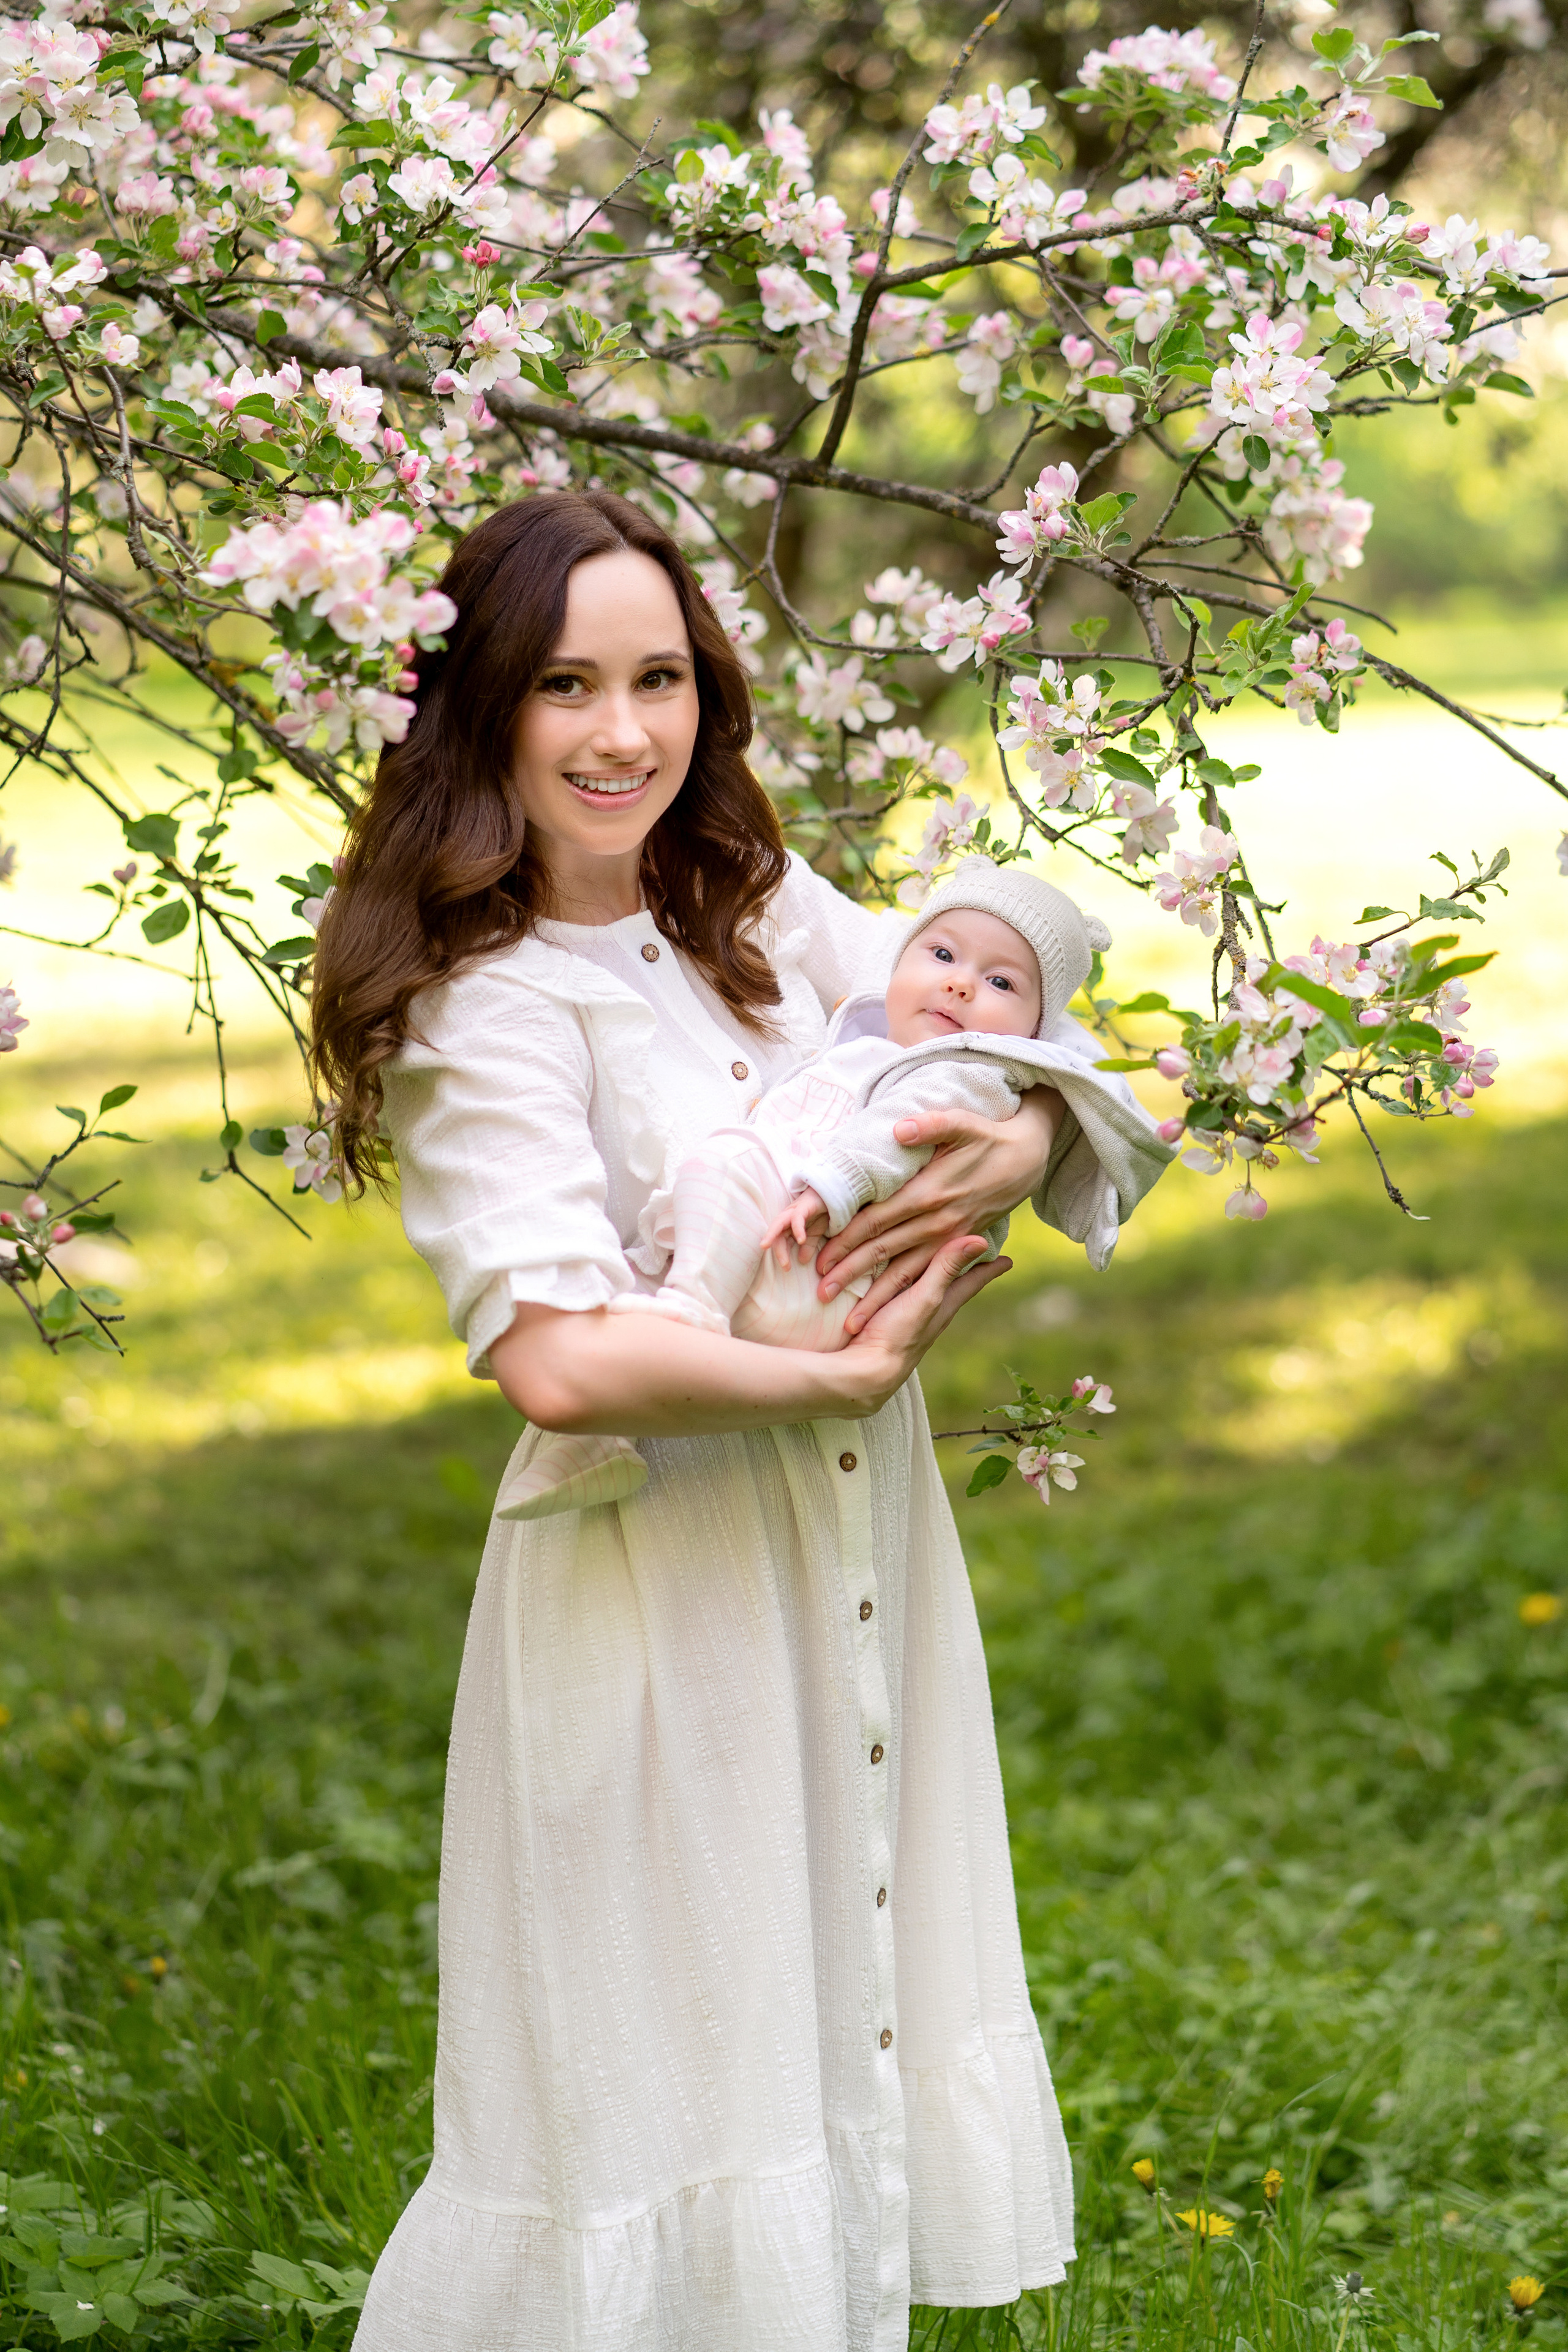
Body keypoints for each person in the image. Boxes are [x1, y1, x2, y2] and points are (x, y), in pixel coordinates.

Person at [313, 487, 1168, 2352]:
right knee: (662, 2082)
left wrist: (1019, 1126)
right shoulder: (487, 1007)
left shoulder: (756, 907)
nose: (623, 731)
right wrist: (838, 1375)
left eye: (660, 677)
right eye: (562, 685)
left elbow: (989, 1028)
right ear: (476, 712)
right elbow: (554, 1355)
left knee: (834, 2022)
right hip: (658, 1568)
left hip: (850, 1545)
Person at [500, 857, 1169, 1521]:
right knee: (642, 1270)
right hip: (797, 1271)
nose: (961, 984)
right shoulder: (875, 1034)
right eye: (941, 954)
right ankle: (599, 1439)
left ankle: (692, 1316)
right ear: (900, 958)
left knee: (722, 1166)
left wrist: (835, 1184)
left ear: (1033, 1035)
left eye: (1000, 981)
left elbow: (892, 1135)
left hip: (822, 1270)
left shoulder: (960, 1071)